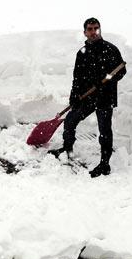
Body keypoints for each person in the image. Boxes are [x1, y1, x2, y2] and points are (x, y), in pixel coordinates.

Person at [49, 17, 126, 178]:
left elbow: (121, 70)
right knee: (70, 120)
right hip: (87, 97)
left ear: (99, 30)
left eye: (96, 28)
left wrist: (105, 81)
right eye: (90, 29)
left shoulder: (110, 49)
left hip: (105, 97)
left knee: (104, 130)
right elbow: (77, 77)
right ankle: (67, 148)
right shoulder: (82, 53)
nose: (93, 31)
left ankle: (105, 164)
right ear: (85, 32)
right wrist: (74, 97)